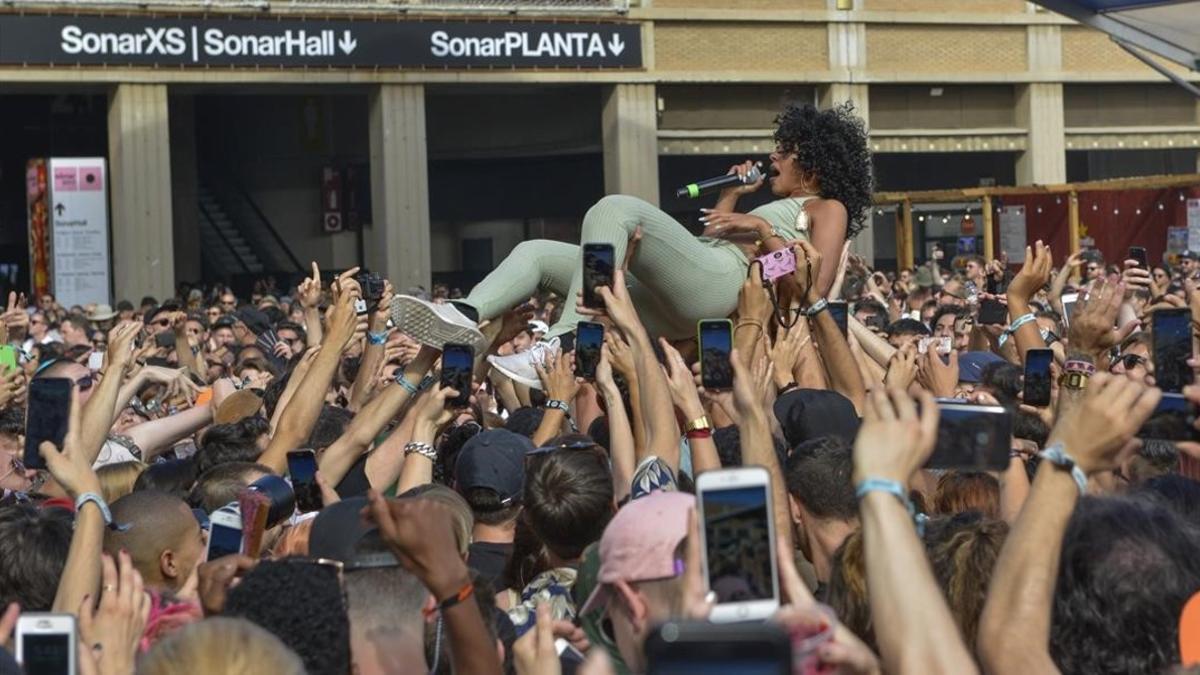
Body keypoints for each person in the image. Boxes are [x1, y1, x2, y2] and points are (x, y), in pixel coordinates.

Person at [390, 102, 874, 387]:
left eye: (784, 152)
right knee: (537, 252)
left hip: (724, 287)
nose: (773, 156)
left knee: (614, 209)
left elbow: (816, 284)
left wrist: (763, 233)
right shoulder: (762, 205)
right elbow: (707, 242)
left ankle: (565, 339)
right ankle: (466, 315)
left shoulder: (828, 208)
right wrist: (733, 195)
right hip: (700, 277)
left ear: (812, 167)